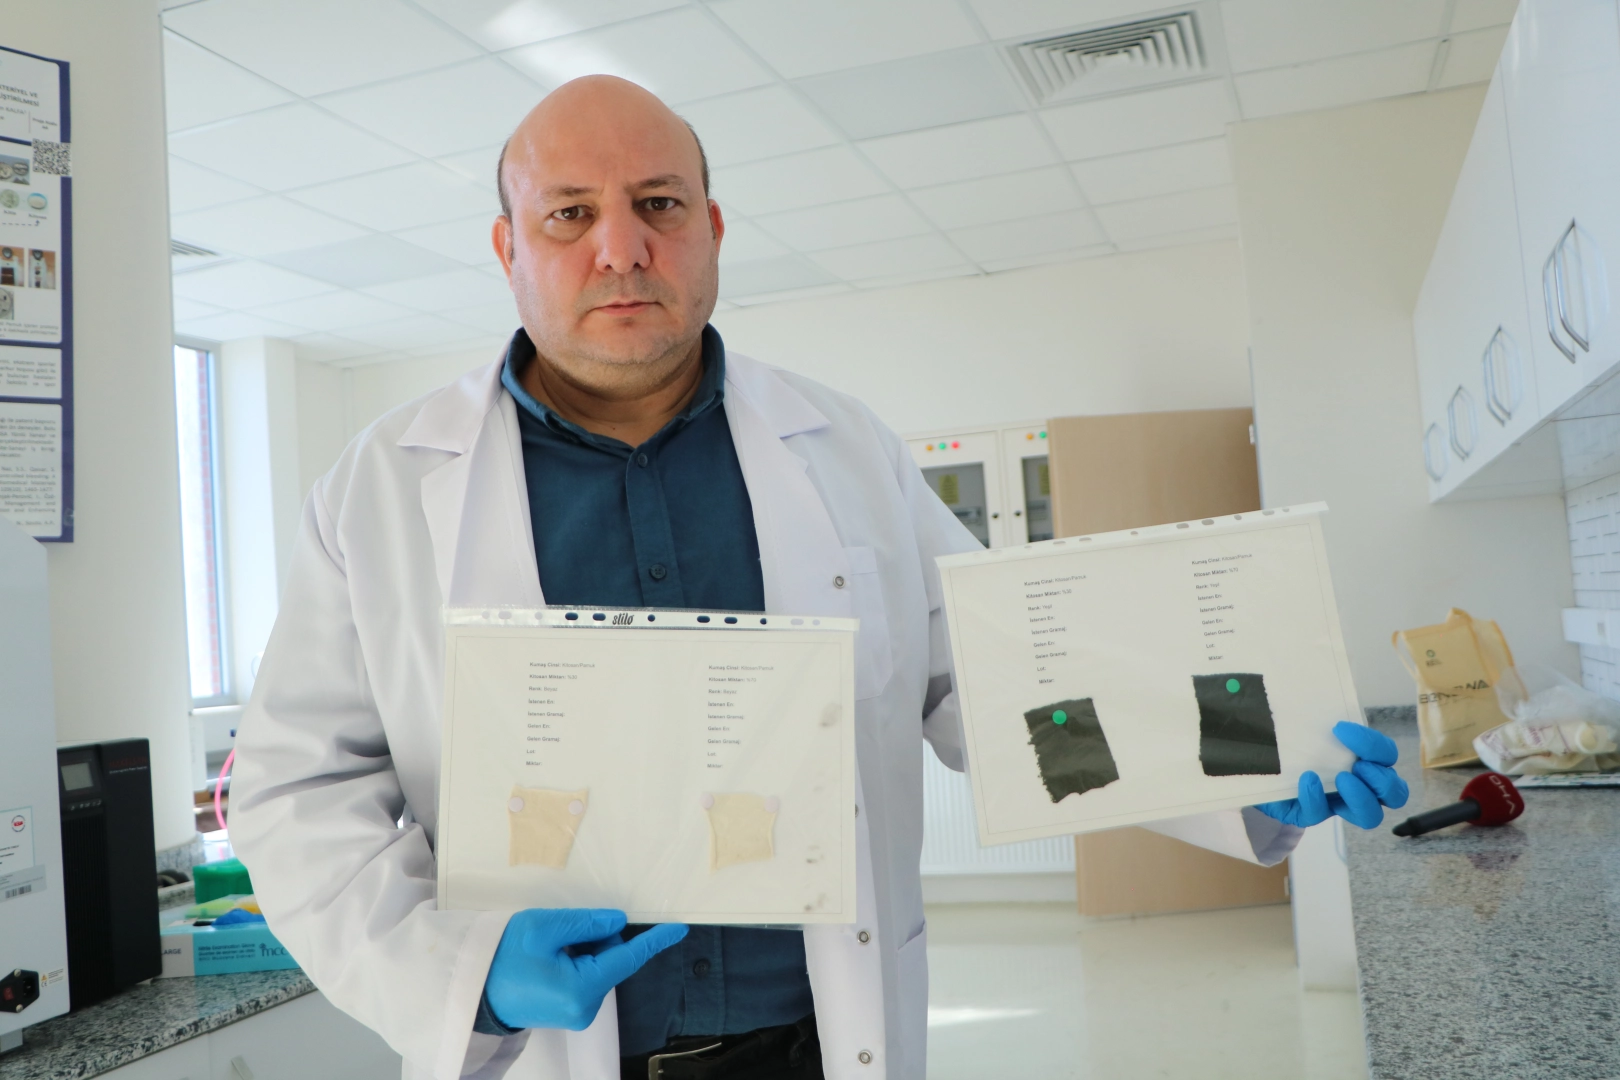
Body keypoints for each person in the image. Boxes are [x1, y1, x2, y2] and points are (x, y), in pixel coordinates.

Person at [228, 75, 1407, 1080]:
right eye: (569, 214)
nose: (621, 248)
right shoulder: (380, 489)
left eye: (658, 205)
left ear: (711, 227)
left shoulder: (842, 450)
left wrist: (1242, 771)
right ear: (508, 249)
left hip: (816, 1042)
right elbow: (297, 792)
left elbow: (996, 683)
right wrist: (465, 972)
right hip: (547, 1051)